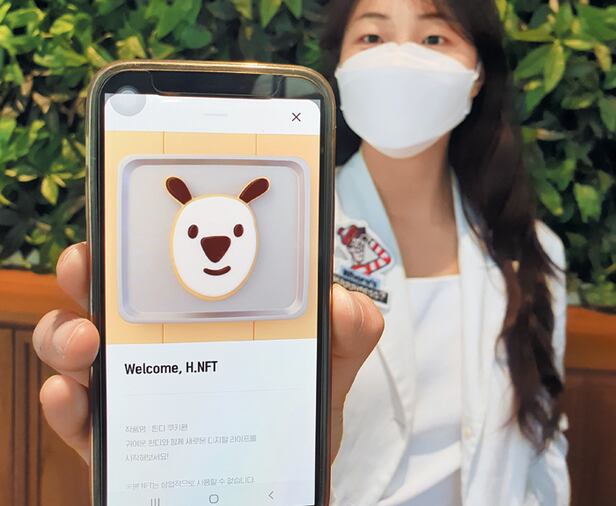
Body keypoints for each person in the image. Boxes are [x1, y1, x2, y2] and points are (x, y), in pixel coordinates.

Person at [32, 0, 570, 504]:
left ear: (477, 73)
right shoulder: (274, 238)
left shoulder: (536, 253)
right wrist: (168, 460)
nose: (401, 57)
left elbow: (544, 442)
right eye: (373, 36)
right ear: (341, 69)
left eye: (434, 37)